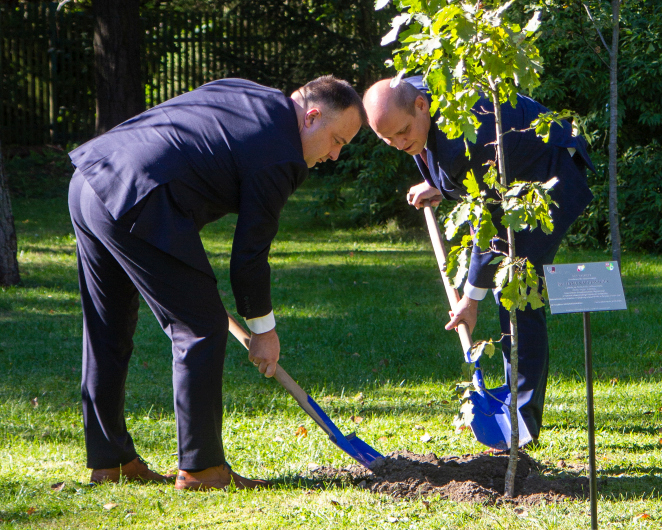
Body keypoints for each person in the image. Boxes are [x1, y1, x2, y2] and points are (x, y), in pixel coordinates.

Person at [69, 75, 365, 490]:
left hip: (90, 179)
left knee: (107, 326)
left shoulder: (246, 92)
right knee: (200, 328)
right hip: (140, 194)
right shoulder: (282, 153)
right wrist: (264, 331)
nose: (334, 155)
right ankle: (203, 470)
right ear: (312, 117)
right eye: (337, 141)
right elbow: (249, 256)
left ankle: (111, 461)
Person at [363, 76, 593, 444]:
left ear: (421, 105)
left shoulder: (465, 141)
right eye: (388, 140)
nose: (400, 144)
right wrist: (440, 183)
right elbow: (457, 167)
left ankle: (522, 416)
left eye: (403, 133)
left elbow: (489, 227)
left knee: (515, 286)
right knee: (511, 284)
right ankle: (516, 400)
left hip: (552, 172)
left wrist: (470, 301)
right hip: (509, 172)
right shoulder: (419, 95)